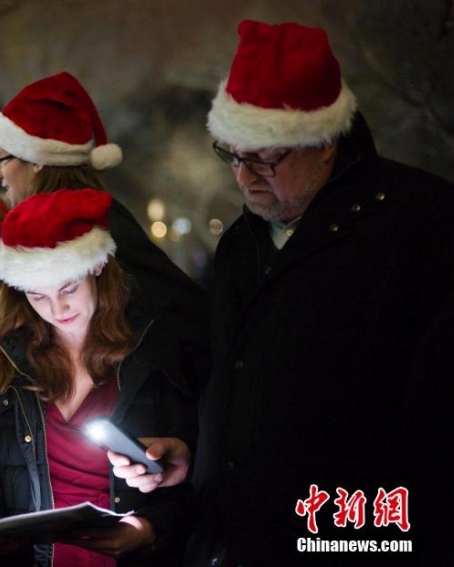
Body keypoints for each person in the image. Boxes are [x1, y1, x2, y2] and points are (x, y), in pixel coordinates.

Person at [177, 20, 454, 566]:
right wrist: (197, 457)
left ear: (325, 144)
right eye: (232, 155)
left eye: (264, 158)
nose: (244, 178)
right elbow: (230, 386)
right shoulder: (240, 245)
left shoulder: (423, 227)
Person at [0, 71, 210, 512]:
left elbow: (187, 327)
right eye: (36, 295)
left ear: (36, 160)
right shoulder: (22, 243)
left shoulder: (106, 234)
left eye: (2, 159)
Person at [0, 189, 198, 567]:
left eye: (68, 288)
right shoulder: (4, 358)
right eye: (37, 296)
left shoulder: (150, 351)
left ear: (97, 266)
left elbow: (193, 479)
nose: (57, 309)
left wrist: (147, 528)